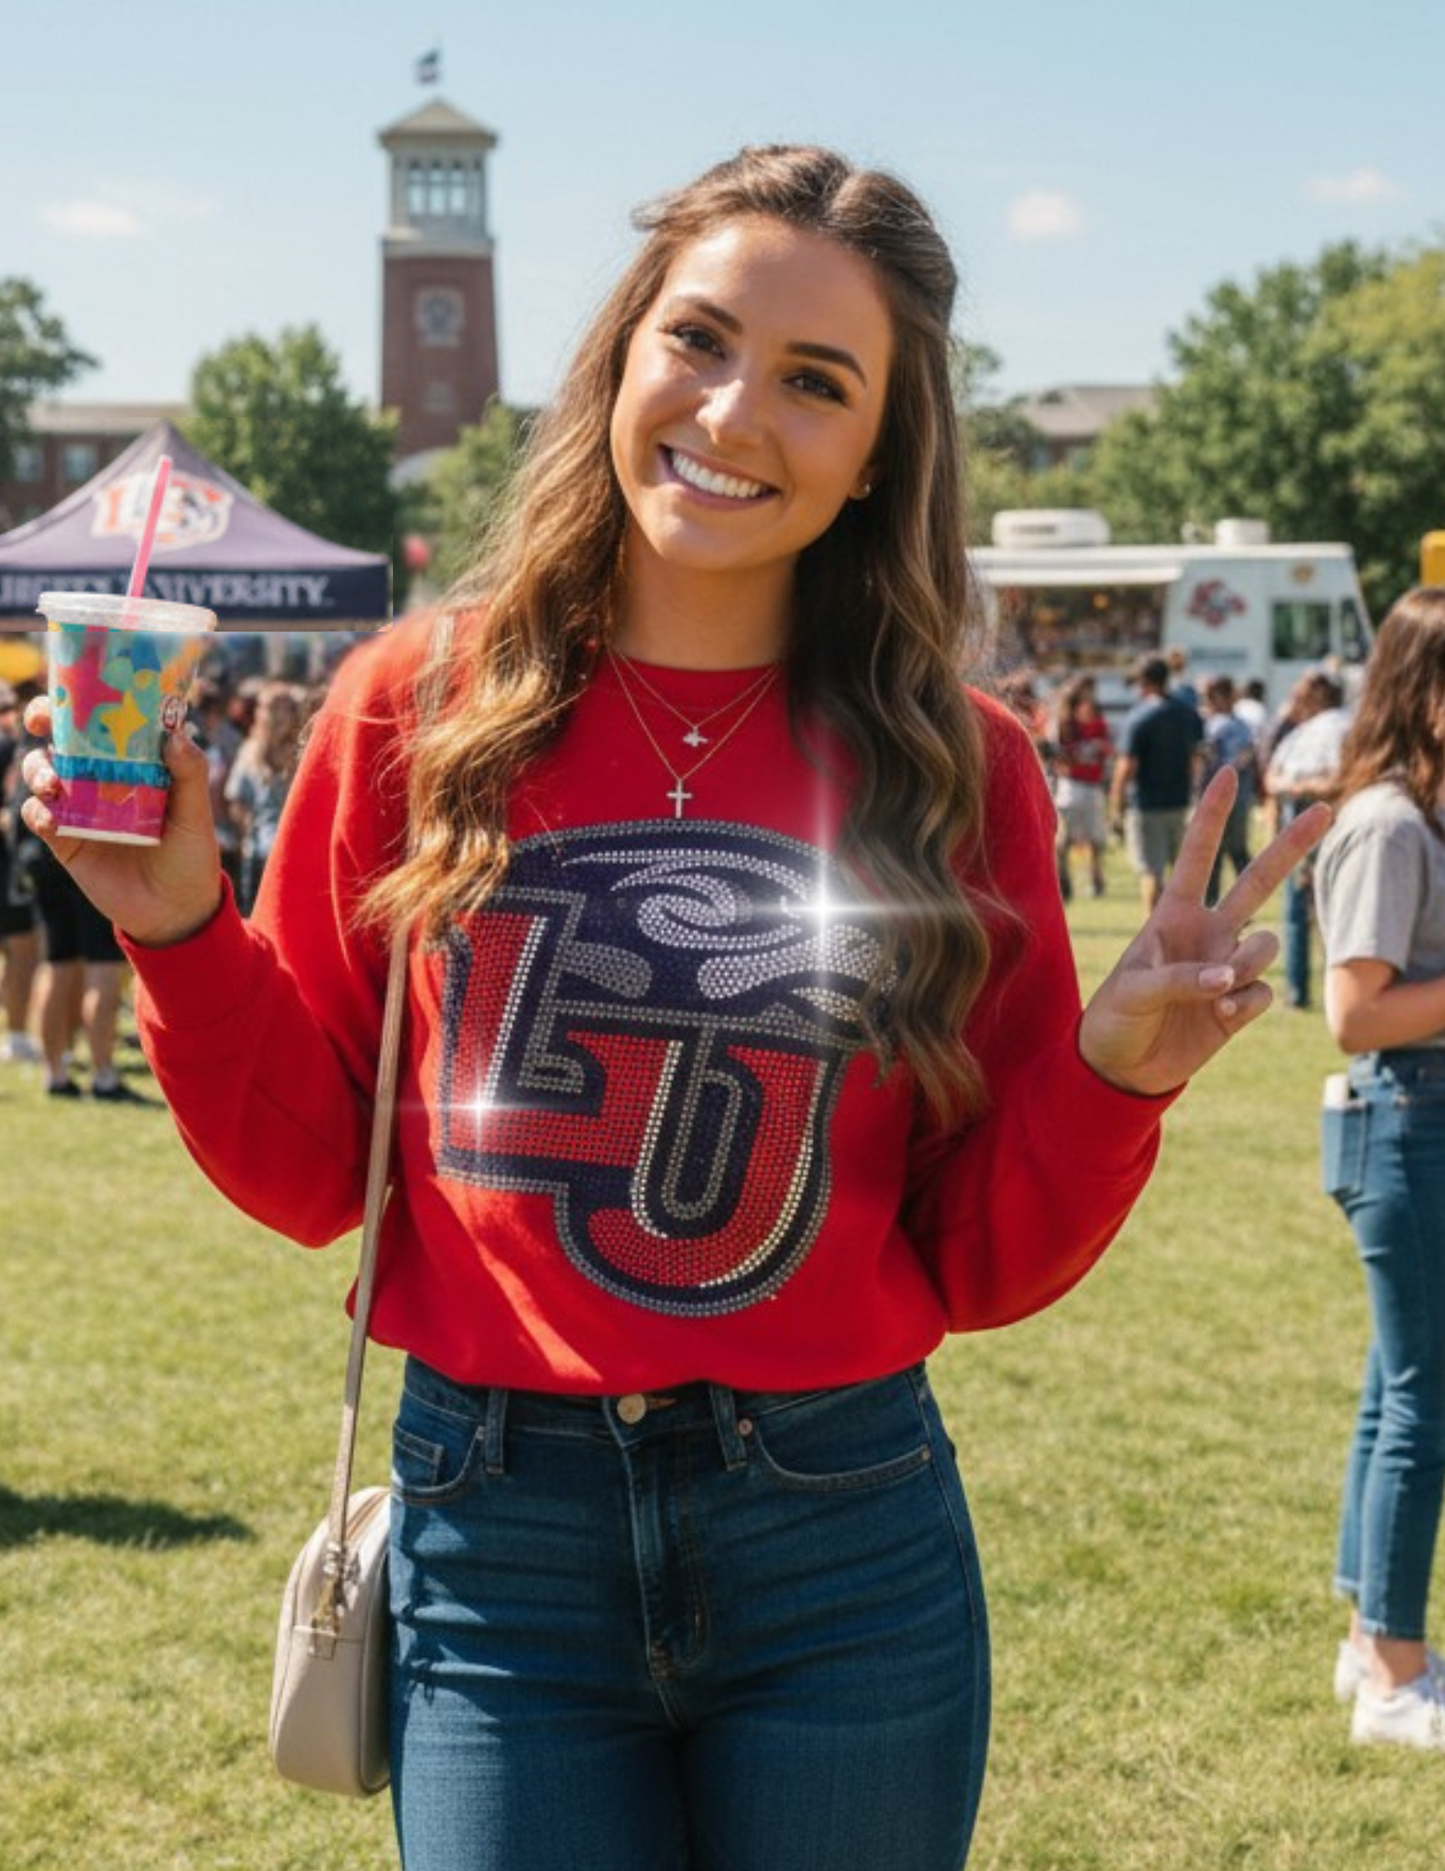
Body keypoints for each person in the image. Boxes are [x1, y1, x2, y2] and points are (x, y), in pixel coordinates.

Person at [19, 145, 1328, 1870]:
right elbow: (314, 1176)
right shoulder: (413, 703)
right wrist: (184, 931)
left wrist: (1110, 1076)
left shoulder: (962, 766)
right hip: (497, 1540)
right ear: (622, 353)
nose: (730, 411)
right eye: (698, 340)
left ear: (880, 452)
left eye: (815, 380)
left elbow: (978, 1264)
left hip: (841, 1544)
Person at [1314, 586, 1445, 1751]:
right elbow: (1353, 1012)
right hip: (1405, 1117)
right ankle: (1395, 1675)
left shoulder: (1416, 816)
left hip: (1416, 1119)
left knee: (1392, 1387)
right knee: (1421, 1400)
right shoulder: (1389, 823)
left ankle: (1370, 1636)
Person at [1266, 670, 1349, 1010]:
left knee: (1320, 911)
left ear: (1318, 694)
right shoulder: (1302, 731)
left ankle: (1320, 990)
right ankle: (1309, 990)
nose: (1293, 700)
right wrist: (1301, 786)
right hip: (1306, 823)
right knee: (1316, 911)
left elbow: (1343, 779)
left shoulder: (1342, 727)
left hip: (1329, 823)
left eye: (1299, 693)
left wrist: (1297, 787)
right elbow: (1271, 777)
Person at [1109, 653, 1205, 913]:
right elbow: (1196, 759)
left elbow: (1126, 766)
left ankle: (1152, 930)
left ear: (1144, 682)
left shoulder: (1140, 716)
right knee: (1181, 873)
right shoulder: (1187, 713)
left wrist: (1115, 804)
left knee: (1152, 872)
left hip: (1146, 804)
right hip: (1179, 801)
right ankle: (1182, 925)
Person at [224, 679, 304, 915]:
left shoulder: (301, 752)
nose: (278, 716)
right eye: (272, 708)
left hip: (292, 852)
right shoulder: (250, 751)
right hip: (259, 850)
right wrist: (248, 826)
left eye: (285, 708)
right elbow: (236, 798)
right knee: (255, 915)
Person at [1051, 673, 1113, 901]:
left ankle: (1094, 880)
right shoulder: (1064, 725)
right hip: (1072, 785)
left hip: (1090, 786)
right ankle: (1065, 881)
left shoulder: (1098, 723)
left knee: (1094, 839)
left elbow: (1106, 751)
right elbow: (1058, 757)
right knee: (1066, 839)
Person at [1198, 674, 1258, 905]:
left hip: (1221, 798)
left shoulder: (1217, 725)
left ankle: (1212, 903)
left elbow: (1228, 760)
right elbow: (1246, 756)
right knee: (1235, 851)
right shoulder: (1241, 725)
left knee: (1217, 853)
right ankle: (1245, 901)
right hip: (1237, 796)